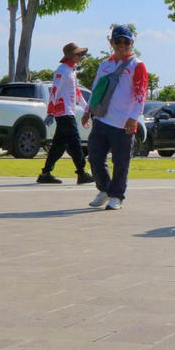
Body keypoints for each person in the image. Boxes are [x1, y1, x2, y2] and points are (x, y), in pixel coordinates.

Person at [82, 26, 147, 211]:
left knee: (120, 162)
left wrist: (133, 118)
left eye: (126, 42)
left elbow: (141, 94)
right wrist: (88, 110)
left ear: (131, 43)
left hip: (123, 123)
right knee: (94, 157)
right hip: (102, 119)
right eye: (118, 41)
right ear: (111, 43)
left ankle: (117, 196)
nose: (122, 45)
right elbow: (96, 89)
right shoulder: (105, 64)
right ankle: (103, 189)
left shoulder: (137, 65)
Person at [37, 42, 94, 185]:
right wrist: (50, 112)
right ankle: (81, 173)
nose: (80, 56)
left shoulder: (71, 71)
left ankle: (45, 173)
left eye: (81, 54)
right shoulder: (62, 70)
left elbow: (77, 92)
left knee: (59, 145)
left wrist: (87, 108)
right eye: (77, 54)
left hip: (69, 112)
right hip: (64, 113)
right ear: (70, 56)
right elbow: (54, 91)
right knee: (75, 142)